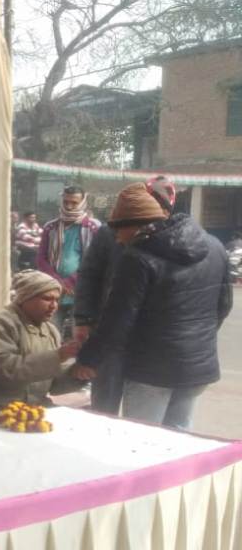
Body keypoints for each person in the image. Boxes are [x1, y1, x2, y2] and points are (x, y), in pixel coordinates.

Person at [72, 182, 231, 430]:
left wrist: (89, 359)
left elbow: (117, 320)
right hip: (197, 366)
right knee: (178, 440)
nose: (117, 238)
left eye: (119, 230)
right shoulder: (215, 246)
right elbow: (223, 306)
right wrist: (195, 338)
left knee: (143, 440)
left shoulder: (137, 257)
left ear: (137, 226)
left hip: (152, 370)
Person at [74, 177, 177, 414]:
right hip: (110, 330)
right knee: (105, 403)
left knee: (144, 410)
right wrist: (83, 319)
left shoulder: (174, 237)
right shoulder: (110, 232)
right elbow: (89, 274)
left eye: (164, 204)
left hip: (150, 340)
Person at [0, 271, 81, 417]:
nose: (54, 306)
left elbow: (53, 385)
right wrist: (58, 356)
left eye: (57, 300)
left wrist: (80, 372)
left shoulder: (51, 331)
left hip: (36, 406)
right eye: (47, 299)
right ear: (25, 297)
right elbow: (4, 371)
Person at [36, 186, 101, 339]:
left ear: (83, 203)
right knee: (50, 333)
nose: (69, 206)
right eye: (66, 202)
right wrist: (58, 282)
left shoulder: (93, 227)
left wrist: (70, 282)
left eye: (74, 202)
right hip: (53, 289)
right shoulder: (50, 227)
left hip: (81, 290)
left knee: (79, 336)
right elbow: (41, 258)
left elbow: (93, 261)